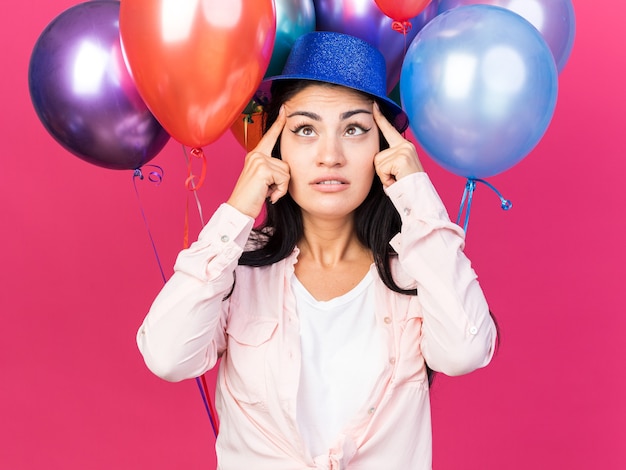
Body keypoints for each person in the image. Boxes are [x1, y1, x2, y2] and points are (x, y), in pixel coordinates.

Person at [137, 31, 497, 470]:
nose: (331, 155)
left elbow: (466, 350)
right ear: (274, 146)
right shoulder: (237, 269)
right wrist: (237, 211)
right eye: (306, 130)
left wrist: (418, 196)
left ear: (383, 148)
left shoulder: (414, 272)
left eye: (355, 129)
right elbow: (167, 355)